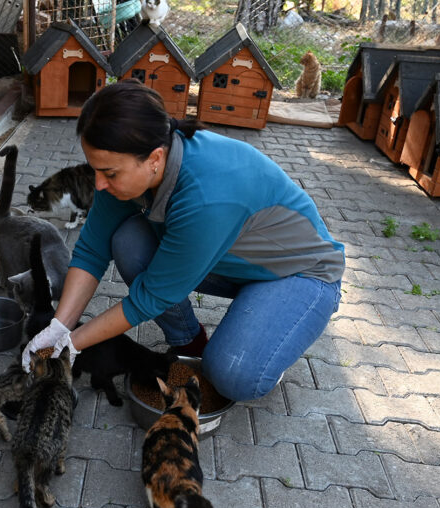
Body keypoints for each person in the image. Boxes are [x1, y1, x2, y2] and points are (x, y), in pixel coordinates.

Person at [21, 79, 344, 402]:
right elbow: (92, 251)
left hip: (299, 274)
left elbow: (149, 298)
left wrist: (72, 344)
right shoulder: (127, 163)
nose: (99, 184)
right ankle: (189, 342)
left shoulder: (206, 196)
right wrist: (58, 327)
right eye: (96, 170)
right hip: (228, 259)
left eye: (110, 173)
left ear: (155, 158)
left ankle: (268, 345)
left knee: (234, 375)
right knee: (128, 241)